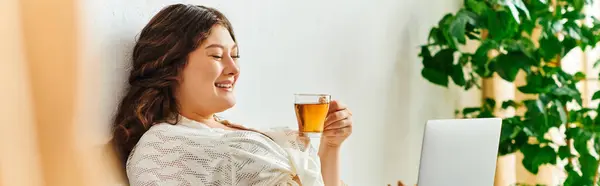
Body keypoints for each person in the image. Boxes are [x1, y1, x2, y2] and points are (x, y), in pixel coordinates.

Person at [111, 4, 353, 186]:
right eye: (216, 56)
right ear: (171, 67)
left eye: (235, 56)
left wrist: (331, 146)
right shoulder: (163, 146)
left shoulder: (225, 132)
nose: (234, 69)